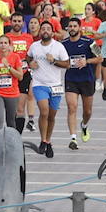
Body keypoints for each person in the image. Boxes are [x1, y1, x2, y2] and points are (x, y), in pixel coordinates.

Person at [25, 20, 69, 158]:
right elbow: (28, 58)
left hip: (55, 85)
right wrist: (30, 63)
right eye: (43, 28)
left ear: (52, 32)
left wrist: (54, 61)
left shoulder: (58, 47)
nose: (45, 31)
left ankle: (48, 141)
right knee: (44, 111)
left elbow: (67, 64)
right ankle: (43, 140)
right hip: (39, 84)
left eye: (48, 29)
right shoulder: (34, 46)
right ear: (39, 31)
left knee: (51, 115)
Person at [60, 17, 101, 150]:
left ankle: (84, 125)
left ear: (79, 28)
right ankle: (73, 138)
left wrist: (87, 61)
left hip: (87, 79)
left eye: (74, 26)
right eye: (70, 26)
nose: (72, 28)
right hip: (71, 79)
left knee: (87, 111)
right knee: (72, 107)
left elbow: (101, 57)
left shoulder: (89, 42)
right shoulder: (63, 44)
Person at [0, 36, 25, 136]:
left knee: (11, 121)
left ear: (9, 45)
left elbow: (20, 76)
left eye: (5, 43)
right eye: (1, 43)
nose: (3, 45)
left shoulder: (15, 57)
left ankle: (11, 144)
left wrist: (8, 66)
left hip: (12, 93)